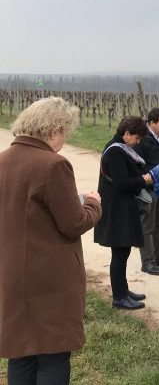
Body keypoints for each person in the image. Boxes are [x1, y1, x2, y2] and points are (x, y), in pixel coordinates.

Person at [0, 97, 102, 385]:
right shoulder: (53, 165)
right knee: (52, 353)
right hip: (48, 279)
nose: (64, 140)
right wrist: (93, 203)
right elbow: (74, 223)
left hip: (11, 274)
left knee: (20, 352)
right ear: (54, 128)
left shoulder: (3, 160)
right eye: (66, 132)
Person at [94, 116, 153, 310]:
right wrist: (144, 180)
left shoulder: (122, 148)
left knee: (124, 250)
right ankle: (119, 297)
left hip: (122, 206)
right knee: (119, 252)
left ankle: (123, 289)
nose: (137, 142)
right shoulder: (115, 152)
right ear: (126, 134)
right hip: (116, 208)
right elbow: (121, 183)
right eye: (136, 138)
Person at [135, 107, 159, 275]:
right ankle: (147, 262)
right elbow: (136, 164)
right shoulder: (141, 140)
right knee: (147, 225)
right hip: (148, 188)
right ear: (151, 123)